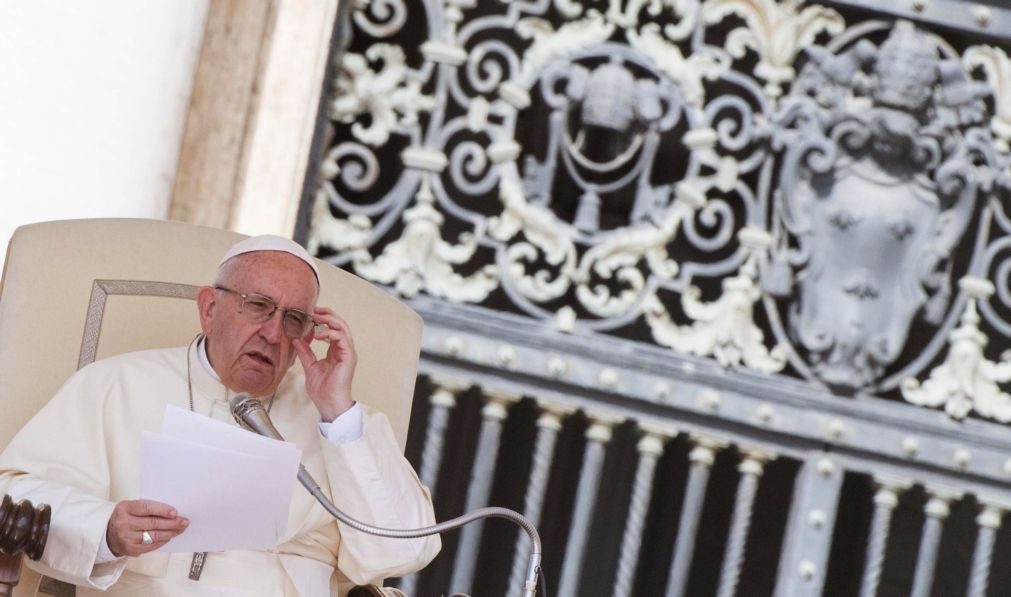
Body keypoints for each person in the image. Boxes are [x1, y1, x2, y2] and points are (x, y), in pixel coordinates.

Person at [0, 235, 440, 596]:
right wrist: (104, 529)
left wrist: (337, 413)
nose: (272, 333)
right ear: (209, 308)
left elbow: (402, 552)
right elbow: (13, 502)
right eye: (257, 306)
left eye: (294, 319)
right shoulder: (115, 385)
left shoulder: (343, 421)